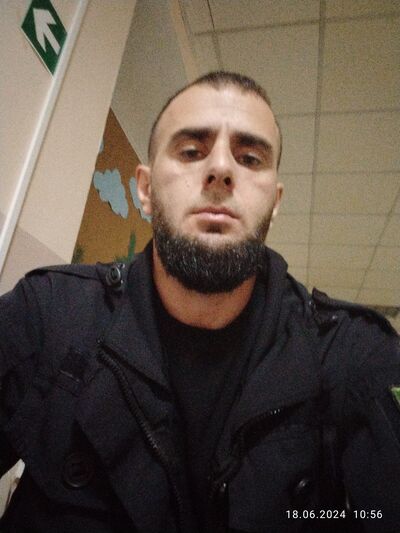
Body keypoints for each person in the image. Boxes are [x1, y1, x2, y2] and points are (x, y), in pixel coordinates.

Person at [0, 71, 399, 533]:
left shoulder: (354, 358)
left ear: (274, 202)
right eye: (191, 151)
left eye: (250, 158)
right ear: (146, 190)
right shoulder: (49, 313)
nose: (222, 168)